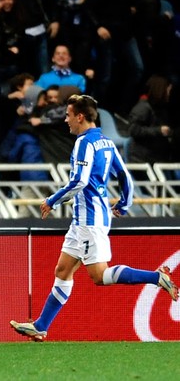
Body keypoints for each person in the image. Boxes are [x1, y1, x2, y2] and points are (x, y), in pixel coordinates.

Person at [10, 94, 178, 341]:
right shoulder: (106, 143)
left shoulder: (84, 143)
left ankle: (156, 277)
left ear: (80, 116)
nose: (66, 120)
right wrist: (125, 201)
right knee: (63, 270)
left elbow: (79, 181)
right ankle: (41, 326)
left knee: (99, 276)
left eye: (68, 115)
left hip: (89, 219)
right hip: (84, 219)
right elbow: (124, 174)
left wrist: (52, 200)